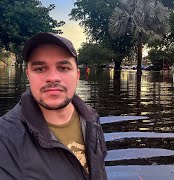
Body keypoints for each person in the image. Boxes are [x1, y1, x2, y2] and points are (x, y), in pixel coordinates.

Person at [0, 32, 107, 180]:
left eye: (63, 68)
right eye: (40, 69)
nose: (53, 78)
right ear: (28, 75)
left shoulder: (91, 118)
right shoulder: (5, 138)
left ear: (77, 75)